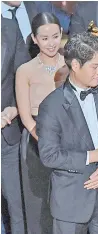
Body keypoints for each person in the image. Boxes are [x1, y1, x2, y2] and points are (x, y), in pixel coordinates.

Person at [36, 32, 98, 234]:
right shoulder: (51, 105)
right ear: (75, 65)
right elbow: (49, 155)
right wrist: (96, 156)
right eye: (94, 66)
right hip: (71, 204)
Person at [15, 12, 66, 234]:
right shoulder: (25, 70)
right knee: (38, 203)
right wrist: (45, 140)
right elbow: (26, 116)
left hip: (69, 139)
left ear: (61, 34)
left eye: (55, 36)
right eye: (44, 38)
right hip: (36, 140)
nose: (51, 43)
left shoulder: (72, 64)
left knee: (65, 203)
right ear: (34, 39)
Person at [1, 17, 30, 234]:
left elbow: (23, 73)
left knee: (17, 207)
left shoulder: (9, 27)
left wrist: (15, 107)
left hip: (7, 136)